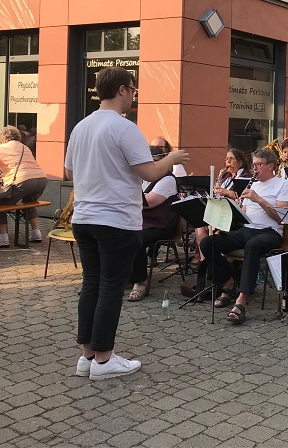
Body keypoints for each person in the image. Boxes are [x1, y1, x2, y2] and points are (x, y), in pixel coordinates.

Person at [65, 67, 189, 381]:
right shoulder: (124, 128)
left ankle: (87, 356)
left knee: (91, 284)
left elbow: (68, 173)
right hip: (116, 220)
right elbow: (150, 173)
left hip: (84, 218)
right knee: (109, 287)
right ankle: (104, 360)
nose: (133, 95)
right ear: (122, 89)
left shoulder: (80, 126)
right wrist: (171, 159)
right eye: (133, 89)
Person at [199, 148, 288, 323]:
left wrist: (259, 200)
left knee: (253, 245)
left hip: (270, 232)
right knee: (208, 242)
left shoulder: (283, 184)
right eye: (254, 164)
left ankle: (241, 300)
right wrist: (227, 217)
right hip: (247, 229)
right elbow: (244, 212)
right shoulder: (252, 183)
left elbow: (282, 217)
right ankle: (228, 282)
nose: (254, 168)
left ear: (270, 166)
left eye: (258, 164)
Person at [127, 146, 180, 301]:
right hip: (141, 223)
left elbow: (148, 202)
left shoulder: (168, 179)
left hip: (160, 226)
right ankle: (118, 275)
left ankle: (140, 281)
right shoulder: (143, 179)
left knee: (137, 238)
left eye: (152, 162)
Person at [0, 125, 49, 247]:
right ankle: (36, 233)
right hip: (41, 179)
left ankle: (3, 238)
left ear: (3, 138)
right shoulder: (24, 147)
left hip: (23, 180)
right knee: (29, 202)